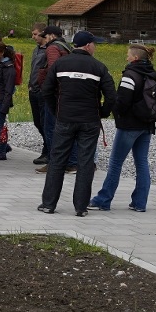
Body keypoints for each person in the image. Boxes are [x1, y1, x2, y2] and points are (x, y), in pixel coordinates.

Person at [38, 31, 115, 217]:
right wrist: (102, 113)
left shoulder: (60, 64)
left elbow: (46, 90)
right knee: (85, 163)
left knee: (57, 160)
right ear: (88, 45)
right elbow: (112, 96)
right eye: (94, 44)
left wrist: (57, 111)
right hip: (89, 121)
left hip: (64, 118)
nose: (95, 47)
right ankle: (80, 207)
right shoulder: (99, 67)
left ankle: (48, 204)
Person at [90, 44, 156, 213]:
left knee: (115, 163)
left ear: (135, 58)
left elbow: (122, 102)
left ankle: (103, 200)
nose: (126, 57)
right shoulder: (151, 74)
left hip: (129, 126)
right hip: (146, 125)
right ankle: (140, 203)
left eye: (128, 55)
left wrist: (113, 111)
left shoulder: (130, 75)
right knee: (141, 163)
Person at [36, 24, 76, 175]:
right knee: (68, 130)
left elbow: (54, 68)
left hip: (54, 94)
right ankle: (72, 163)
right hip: (67, 93)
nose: (44, 39)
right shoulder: (67, 47)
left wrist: (48, 89)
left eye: (45, 36)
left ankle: (54, 163)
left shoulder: (52, 48)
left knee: (50, 128)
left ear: (52, 36)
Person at [28, 24, 50, 165]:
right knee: (38, 121)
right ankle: (47, 147)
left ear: (43, 34)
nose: (33, 37)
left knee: (45, 122)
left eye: (35, 34)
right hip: (33, 89)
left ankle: (47, 150)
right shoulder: (36, 49)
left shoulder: (49, 50)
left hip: (42, 91)